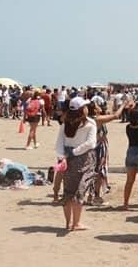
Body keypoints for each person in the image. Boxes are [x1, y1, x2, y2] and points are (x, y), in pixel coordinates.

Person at [54, 97, 97, 231]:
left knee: (68, 191)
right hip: (83, 160)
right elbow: (90, 143)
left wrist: (63, 157)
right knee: (80, 191)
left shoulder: (64, 123)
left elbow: (58, 144)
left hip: (67, 160)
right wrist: (74, 152)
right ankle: (76, 223)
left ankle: (68, 223)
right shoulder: (90, 124)